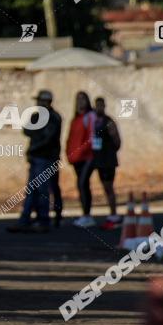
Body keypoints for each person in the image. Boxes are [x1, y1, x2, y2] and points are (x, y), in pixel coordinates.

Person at [6, 89, 62, 233]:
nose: (38, 103)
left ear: (47, 102)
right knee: (31, 190)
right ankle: (25, 220)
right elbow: (26, 130)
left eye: (40, 101)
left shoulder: (53, 118)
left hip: (46, 158)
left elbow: (47, 139)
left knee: (43, 190)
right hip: (36, 158)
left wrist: (33, 149)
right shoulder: (37, 116)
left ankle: (43, 220)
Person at [89, 97, 122, 230]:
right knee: (105, 187)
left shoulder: (108, 122)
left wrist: (110, 151)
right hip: (99, 160)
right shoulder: (95, 122)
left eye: (101, 106)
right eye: (97, 106)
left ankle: (114, 213)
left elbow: (117, 140)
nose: (99, 108)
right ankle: (112, 213)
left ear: (104, 106)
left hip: (108, 159)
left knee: (109, 187)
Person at [66, 91, 96, 227]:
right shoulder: (75, 119)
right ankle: (85, 214)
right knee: (82, 185)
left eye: (83, 98)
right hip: (76, 159)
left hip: (87, 157)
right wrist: (69, 154)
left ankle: (87, 215)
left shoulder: (90, 116)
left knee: (82, 184)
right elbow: (70, 139)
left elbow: (91, 137)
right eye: (78, 99)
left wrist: (81, 151)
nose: (80, 101)